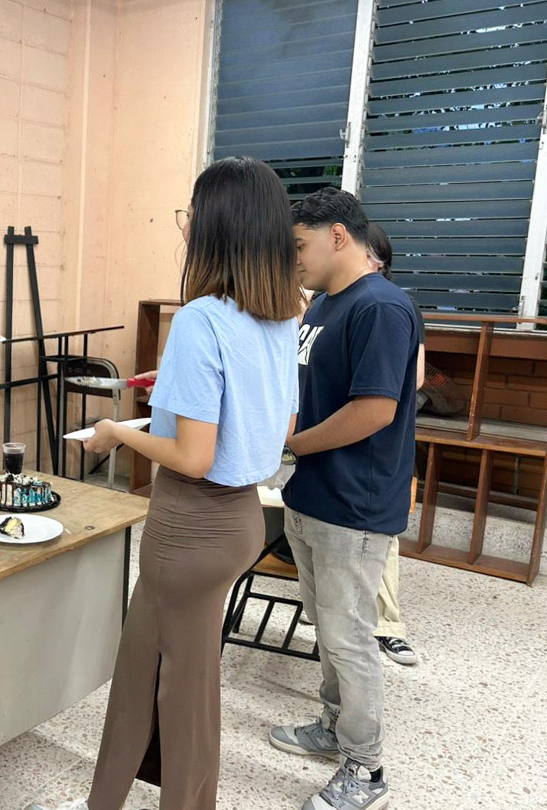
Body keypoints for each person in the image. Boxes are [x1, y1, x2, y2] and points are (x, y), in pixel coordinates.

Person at [29, 155, 301, 810]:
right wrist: (174, 399)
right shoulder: (282, 315)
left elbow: (193, 457)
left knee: (183, 695)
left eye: (191, 214)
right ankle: (104, 799)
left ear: (215, 226)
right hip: (240, 520)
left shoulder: (202, 318)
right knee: (141, 670)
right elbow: (279, 422)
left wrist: (117, 432)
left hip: (190, 522)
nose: (184, 226)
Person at [270, 188, 419, 810]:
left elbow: (375, 410)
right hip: (312, 494)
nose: (293, 259)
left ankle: (366, 768)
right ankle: (335, 727)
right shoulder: (325, 305)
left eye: (299, 245)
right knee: (329, 629)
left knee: (350, 636)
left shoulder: (380, 306)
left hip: (354, 504)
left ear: (337, 235)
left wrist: (294, 445)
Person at [366, 222, 422, 667]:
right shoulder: (323, 302)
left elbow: (415, 378)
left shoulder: (393, 307)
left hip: (379, 444)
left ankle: (388, 627)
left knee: (381, 540)